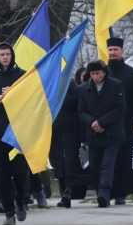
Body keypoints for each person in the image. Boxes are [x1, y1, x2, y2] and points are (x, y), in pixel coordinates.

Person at [0, 41, 30, 225]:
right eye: (2, 54)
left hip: (18, 130)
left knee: (20, 171)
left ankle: (21, 201)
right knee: (2, 173)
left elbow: (29, 99)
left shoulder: (22, 75)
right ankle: (9, 212)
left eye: (8, 54)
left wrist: (13, 95)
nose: (5, 57)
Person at [79, 59, 126, 208]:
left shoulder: (115, 85)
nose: (95, 77)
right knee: (94, 166)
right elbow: (80, 111)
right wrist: (93, 122)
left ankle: (104, 194)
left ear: (104, 73)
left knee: (107, 164)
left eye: (98, 73)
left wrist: (102, 122)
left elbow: (120, 108)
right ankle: (100, 190)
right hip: (93, 134)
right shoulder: (84, 89)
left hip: (111, 133)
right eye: (92, 74)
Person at [105, 37, 133, 205]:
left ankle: (121, 193)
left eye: (115, 50)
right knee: (106, 160)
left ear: (122, 51)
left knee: (123, 159)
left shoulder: (132, 74)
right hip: (105, 124)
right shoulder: (102, 72)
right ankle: (105, 191)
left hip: (125, 124)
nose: (113, 53)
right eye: (110, 50)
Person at [54, 67, 88, 207]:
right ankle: (63, 192)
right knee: (57, 161)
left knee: (70, 160)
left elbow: (80, 109)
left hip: (71, 129)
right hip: (54, 130)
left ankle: (68, 191)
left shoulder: (74, 87)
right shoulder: (50, 87)